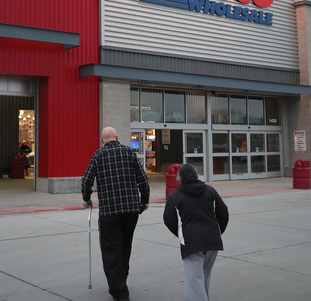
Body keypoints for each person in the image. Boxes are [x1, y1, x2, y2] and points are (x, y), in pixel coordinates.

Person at [82, 127, 150, 301]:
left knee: (111, 249)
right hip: (131, 211)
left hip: (109, 212)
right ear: (117, 138)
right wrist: (144, 201)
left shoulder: (98, 155)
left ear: (102, 140)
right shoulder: (129, 152)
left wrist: (87, 198)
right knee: (125, 246)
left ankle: (119, 290)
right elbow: (143, 179)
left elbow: (86, 180)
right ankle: (121, 280)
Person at [163, 163, 229, 301]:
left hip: (191, 241)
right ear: (196, 175)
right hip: (212, 239)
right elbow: (223, 213)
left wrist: (182, 234)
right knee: (204, 276)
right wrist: (216, 232)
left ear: (179, 178)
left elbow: (168, 219)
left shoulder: (175, 196)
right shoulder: (210, 191)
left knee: (194, 282)